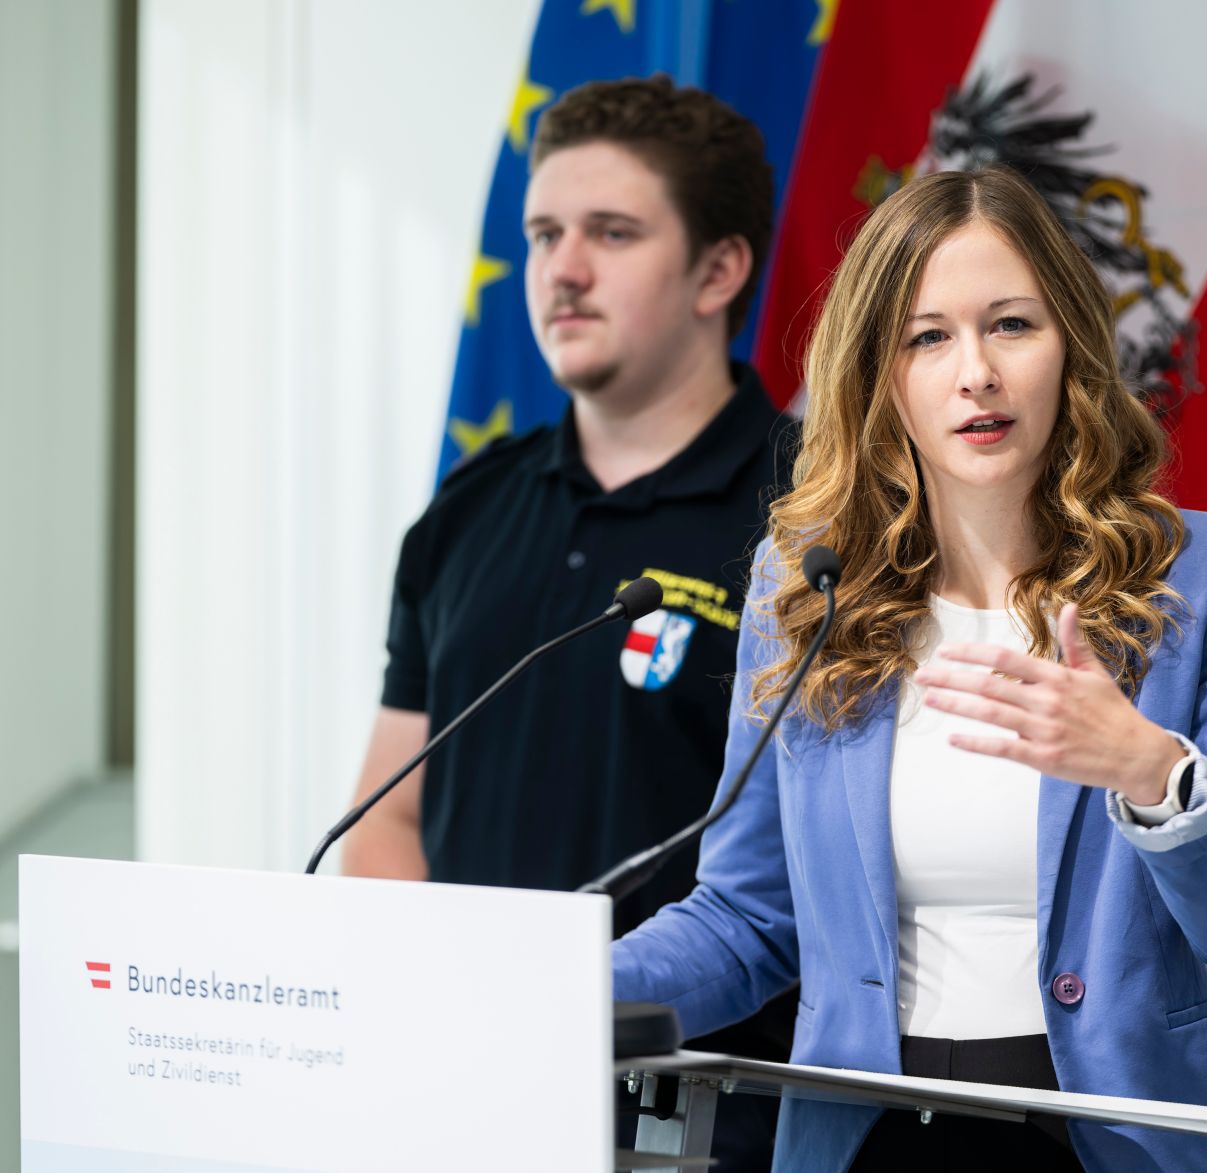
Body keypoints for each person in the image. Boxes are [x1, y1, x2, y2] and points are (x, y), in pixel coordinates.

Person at [612, 164, 1207, 1172]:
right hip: (865, 1142)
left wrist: (1152, 775)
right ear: (880, 373)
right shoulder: (809, 588)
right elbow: (745, 919)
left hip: (1110, 1145)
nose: (974, 375)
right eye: (927, 336)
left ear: (1069, 347)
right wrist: (559, 993)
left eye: (1009, 326)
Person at [341, 76, 797, 1162]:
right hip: (462, 1099)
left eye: (612, 232)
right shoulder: (465, 513)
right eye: (543, 233)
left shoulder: (823, 512)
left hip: (711, 1120)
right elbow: (384, 821)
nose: (562, 269)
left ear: (719, 270)